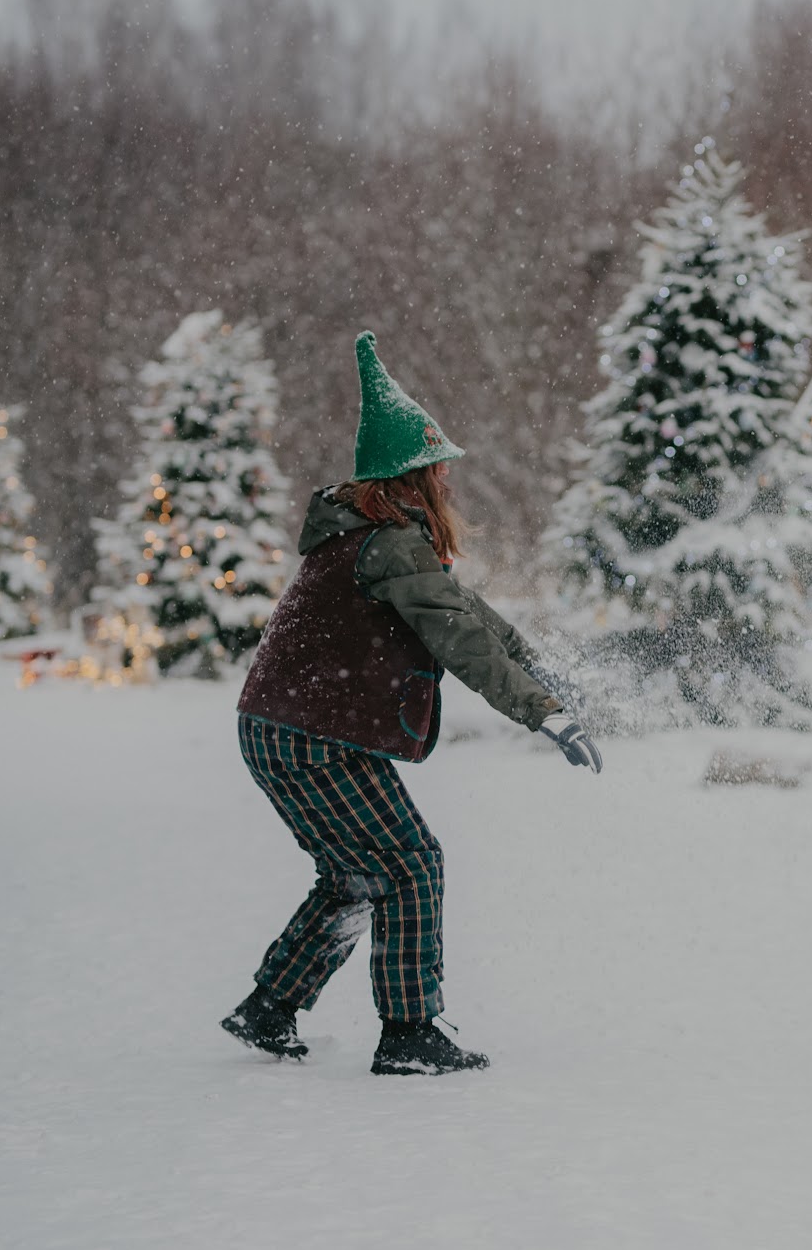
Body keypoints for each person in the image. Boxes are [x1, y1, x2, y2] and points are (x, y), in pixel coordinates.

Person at [220, 332, 602, 1076]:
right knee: (412, 863)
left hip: (275, 728)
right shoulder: (389, 543)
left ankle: (269, 1010)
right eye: (439, 473)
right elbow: (460, 641)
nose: (449, 487)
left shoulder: (373, 537)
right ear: (411, 480)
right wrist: (542, 712)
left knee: (356, 873)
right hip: (308, 736)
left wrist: (545, 676)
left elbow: (468, 615)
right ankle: (408, 1033)